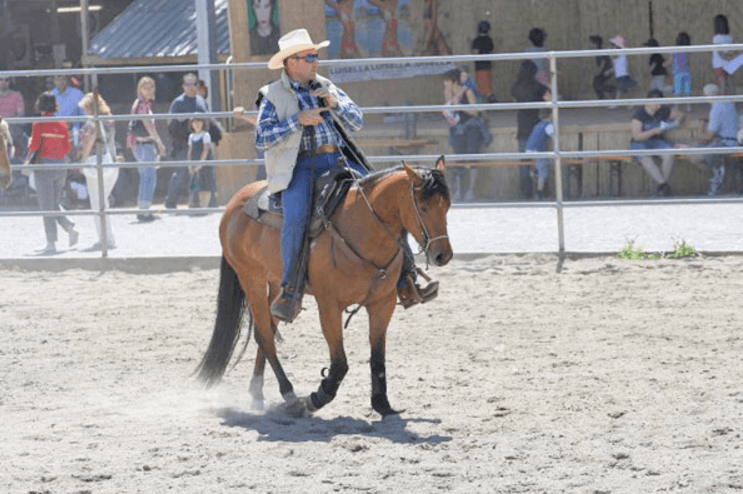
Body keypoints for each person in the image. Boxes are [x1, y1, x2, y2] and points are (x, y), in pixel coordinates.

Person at [256, 28, 437, 321]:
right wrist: (297, 121)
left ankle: (408, 279)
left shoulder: (325, 86)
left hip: (339, 160)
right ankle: (290, 289)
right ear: (292, 62)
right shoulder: (272, 95)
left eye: (316, 55)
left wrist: (335, 103)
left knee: (386, 202)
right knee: (296, 218)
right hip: (298, 166)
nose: (316, 61)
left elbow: (357, 121)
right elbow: (261, 138)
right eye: (309, 57)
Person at [24, 92, 79, 255]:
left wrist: (28, 147)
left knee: (46, 206)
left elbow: (34, 146)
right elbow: (66, 148)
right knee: (53, 202)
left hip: (44, 166)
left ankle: (51, 243)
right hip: (61, 166)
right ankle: (69, 227)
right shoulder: (62, 123)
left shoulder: (39, 123)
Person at [442, 68, 490, 201]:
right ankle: (459, 190)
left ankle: (471, 190)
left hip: (472, 126)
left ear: (453, 81)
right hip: (458, 128)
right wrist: (449, 93)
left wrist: (460, 106)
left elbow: (475, 111)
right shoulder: (449, 92)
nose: (445, 84)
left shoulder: (468, 91)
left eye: (447, 81)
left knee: (472, 156)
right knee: (459, 158)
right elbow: (449, 107)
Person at [78, 92, 119, 250]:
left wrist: (82, 162)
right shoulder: (109, 118)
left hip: (97, 163)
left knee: (97, 204)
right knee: (104, 202)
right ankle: (108, 238)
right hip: (112, 162)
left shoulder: (92, 121)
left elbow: (88, 144)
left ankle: (106, 239)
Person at [163, 73, 208, 209]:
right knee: (182, 171)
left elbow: (208, 121)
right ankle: (170, 201)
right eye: (188, 84)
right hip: (183, 144)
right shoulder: (178, 103)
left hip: (200, 143)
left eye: (194, 84)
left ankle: (195, 201)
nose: (191, 87)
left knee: (198, 173)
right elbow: (170, 123)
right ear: (183, 86)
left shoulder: (201, 101)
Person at [629, 89, 684, 196]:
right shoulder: (639, 114)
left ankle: (662, 187)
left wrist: (676, 123)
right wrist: (654, 131)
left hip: (657, 141)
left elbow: (681, 115)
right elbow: (637, 136)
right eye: (656, 102)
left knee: (669, 153)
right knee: (645, 158)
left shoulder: (663, 110)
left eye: (660, 102)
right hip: (640, 142)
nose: (659, 105)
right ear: (648, 102)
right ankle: (664, 185)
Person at [128, 76, 166, 222]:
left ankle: (143, 208)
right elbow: (149, 126)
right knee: (149, 177)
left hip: (138, 145)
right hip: (145, 144)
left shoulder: (138, 103)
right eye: (146, 88)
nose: (149, 91)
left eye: (151, 87)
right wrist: (159, 143)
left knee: (146, 176)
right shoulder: (143, 105)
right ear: (139, 90)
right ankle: (145, 210)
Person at [690, 83, 739, 195]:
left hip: (725, 143)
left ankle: (717, 172)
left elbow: (709, 135)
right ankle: (717, 170)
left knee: (694, 157)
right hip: (731, 141)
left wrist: (693, 142)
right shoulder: (728, 103)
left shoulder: (717, 107)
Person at [511, 60, 548, 199]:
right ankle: (541, 191)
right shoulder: (537, 86)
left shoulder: (515, 87)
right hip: (536, 126)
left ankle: (524, 193)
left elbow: (514, 100)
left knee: (524, 163)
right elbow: (549, 98)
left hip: (522, 126)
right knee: (540, 162)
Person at [525, 88, 554, 200]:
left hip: (530, 149)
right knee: (544, 172)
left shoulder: (538, 125)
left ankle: (536, 175)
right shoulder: (548, 126)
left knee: (544, 165)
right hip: (537, 151)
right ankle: (539, 192)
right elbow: (555, 139)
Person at [51, 74, 84, 160]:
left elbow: (84, 116)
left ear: (67, 81)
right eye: (58, 79)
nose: (61, 82)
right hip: (56, 131)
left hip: (75, 131)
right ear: (54, 81)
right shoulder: (50, 96)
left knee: (76, 142)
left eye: (63, 79)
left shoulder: (77, 94)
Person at [187, 117, 215, 209]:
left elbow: (205, 150)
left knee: (206, 185)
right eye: (194, 122)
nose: (197, 124)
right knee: (195, 184)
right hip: (194, 165)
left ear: (203, 123)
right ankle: (195, 204)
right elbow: (190, 151)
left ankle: (204, 205)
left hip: (205, 164)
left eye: (199, 121)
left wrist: (200, 164)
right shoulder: (191, 136)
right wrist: (190, 165)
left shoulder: (205, 135)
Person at [471, 21, 497, 103]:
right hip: (488, 66)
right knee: (488, 86)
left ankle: (482, 103)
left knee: (481, 88)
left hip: (480, 68)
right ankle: (487, 102)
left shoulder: (476, 40)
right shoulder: (489, 40)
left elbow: (474, 53)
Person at [609, 35, 637, 105]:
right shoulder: (618, 54)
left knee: (619, 90)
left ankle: (614, 105)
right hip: (619, 75)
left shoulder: (621, 52)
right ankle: (631, 103)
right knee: (624, 91)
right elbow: (615, 64)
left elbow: (613, 56)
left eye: (614, 45)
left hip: (622, 75)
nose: (612, 47)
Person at [712, 14, 734, 95]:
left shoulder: (716, 38)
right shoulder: (729, 37)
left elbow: (719, 51)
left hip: (718, 63)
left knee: (722, 84)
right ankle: (733, 97)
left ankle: (723, 99)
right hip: (728, 62)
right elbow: (731, 51)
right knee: (729, 82)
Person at [671, 32, 693, 110]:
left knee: (677, 90)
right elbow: (689, 60)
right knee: (687, 91)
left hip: (677, 72)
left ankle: (677, 106)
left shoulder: (674, 50)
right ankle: (688, 107)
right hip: (686, 71)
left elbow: (671, 60)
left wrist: (665, 64)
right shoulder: (688, 50)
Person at [589, 35, 615, 100]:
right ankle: (603, 97)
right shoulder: (599, 50)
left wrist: (599, 72)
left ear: (596, 43)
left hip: (606, 71)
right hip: (605, 70)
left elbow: (603, 63)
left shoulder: (599, 51)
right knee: (597, 85)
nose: (590, 45)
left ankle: (612, 90)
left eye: (592, 43)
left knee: (596, 84)